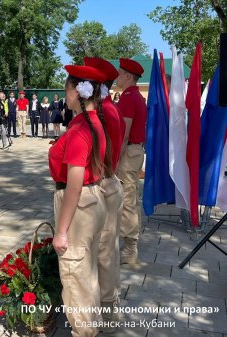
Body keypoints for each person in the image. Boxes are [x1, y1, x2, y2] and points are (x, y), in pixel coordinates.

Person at [50, 65, 107, 337]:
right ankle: (90, 326)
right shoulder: (94, 122)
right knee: (88, 274)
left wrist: (61, 231)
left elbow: (73, 185)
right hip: (92, 201)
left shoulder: (81, 129)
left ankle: (83, 331)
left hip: (79, 204)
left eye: (67, 90)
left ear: (76, 92)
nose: (66, 96)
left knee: (74, 275)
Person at [84, 56, 125, 332]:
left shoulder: (106, 112)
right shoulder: (104, 109)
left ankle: (109, 312)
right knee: (102, 251)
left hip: (106, 184)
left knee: (106, 253)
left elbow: (108, 155)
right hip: (104, 183)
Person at [116, 58, 147, 265]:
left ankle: (130, 249)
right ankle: (130, 243)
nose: (117, 77)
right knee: (131, 198)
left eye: (119, 73)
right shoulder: (136, 96)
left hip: (128, 152)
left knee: (127, 200)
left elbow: (124, 133)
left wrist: (114, 158)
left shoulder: (128, 98)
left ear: (128, 76)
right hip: (134, 151)